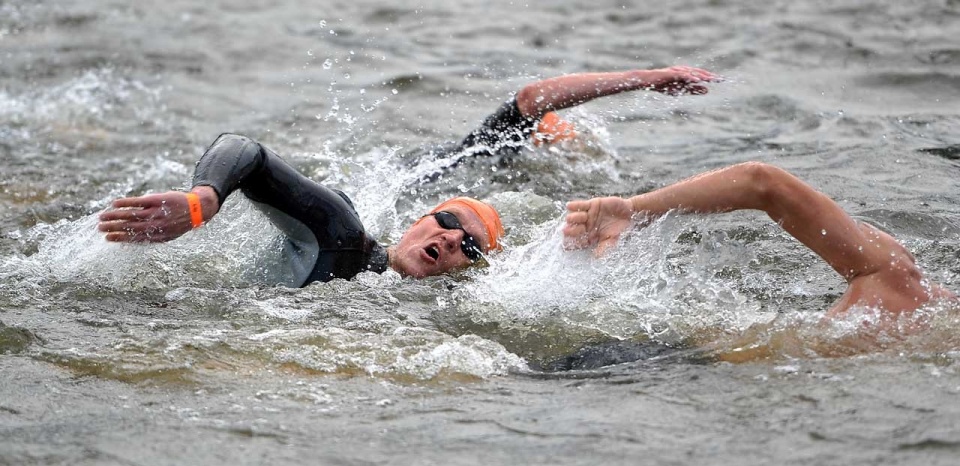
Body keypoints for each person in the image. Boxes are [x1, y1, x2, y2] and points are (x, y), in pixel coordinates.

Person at [98, 66, 719, 286]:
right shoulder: (342, 235)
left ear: (466, 272)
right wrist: (204, 199)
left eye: (468, 247)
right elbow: (246, 150)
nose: (451, 239)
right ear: (422, 219)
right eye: (449, 224)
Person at [562, 162, 957, 317]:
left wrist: (635, 210)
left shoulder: (892, 273)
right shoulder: (904, 295)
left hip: (663, 365)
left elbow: (762, 182)